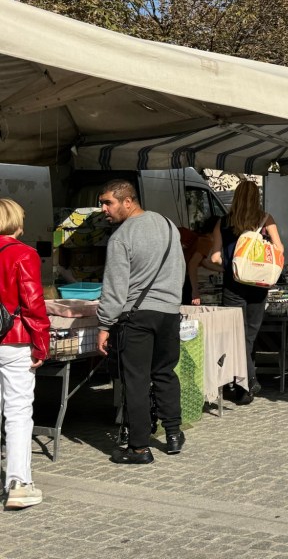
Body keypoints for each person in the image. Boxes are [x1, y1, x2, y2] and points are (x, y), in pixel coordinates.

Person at [96, 180, 186, 464]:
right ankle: (173, 434)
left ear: (128, 201)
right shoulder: (168, 225)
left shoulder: (121, 237)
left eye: (108, 203)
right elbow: (179, 267)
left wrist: (104, 325)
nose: (103, 209)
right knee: (165, 373)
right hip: (169, 312)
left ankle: (138, 448)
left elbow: (114, 287)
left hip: (137, 315)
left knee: (136, 381)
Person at [210, 180, 284, 405]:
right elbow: (280, 250)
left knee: (235, 336)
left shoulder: (223, 222)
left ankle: (245, 383)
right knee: (249, 337)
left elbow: (214, 257)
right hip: (258, 285)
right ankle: (246, 385)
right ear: (256, 198)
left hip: (233, 286)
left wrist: (231, 263)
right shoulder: (265, 219)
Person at [0, 199, 50, 507]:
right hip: (14, 340)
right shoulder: (23, 253)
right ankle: (18, 483)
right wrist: (42, 344)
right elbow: (33, 304)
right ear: (17, 222)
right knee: (17, 411)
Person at [179, 216, 220, 306]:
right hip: (185, 280)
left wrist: (223, 269)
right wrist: (195, 291)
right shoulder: (207, 241)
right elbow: (192, 265)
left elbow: (203, 262)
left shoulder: (201, 238)